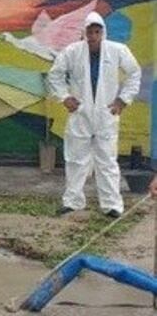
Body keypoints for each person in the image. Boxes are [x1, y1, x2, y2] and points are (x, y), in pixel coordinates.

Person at [47, 11, 141, 218]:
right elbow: (55, 75)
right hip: (80, 113)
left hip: (106, 113)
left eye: (97, 31)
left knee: (107, 160)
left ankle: (112, 205)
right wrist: (64, 97)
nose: (93, 35)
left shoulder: (118, 50)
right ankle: (72, 201)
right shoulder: (72, 51)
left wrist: (122, 100)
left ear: (103, 32)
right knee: (75, 159)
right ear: (84, 32)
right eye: (90, 31)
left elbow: (134, 73)